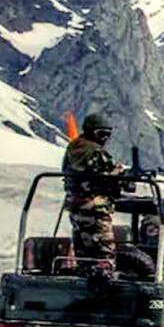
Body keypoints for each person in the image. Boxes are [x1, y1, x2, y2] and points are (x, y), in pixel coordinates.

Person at [62, 113, 124, 277]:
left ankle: (85, 279)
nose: (105, 138)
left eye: (108, 134)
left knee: (83, 253)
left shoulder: (73, 148)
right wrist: (120, 173)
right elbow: (111, 181)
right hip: (96, 208)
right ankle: (105, 290)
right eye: (101, 134)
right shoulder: (96, 152)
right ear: (90, 132)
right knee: (104, 254)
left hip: (76, 208)